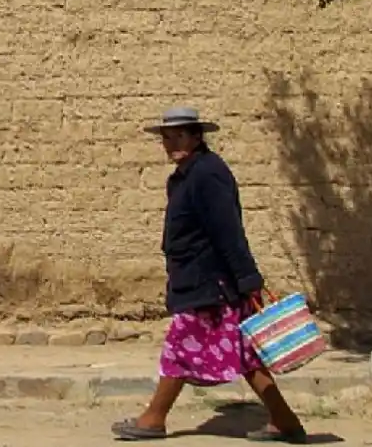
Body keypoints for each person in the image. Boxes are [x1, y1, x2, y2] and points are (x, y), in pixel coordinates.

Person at [111, 106, 307, 443]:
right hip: (200, 279)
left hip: (209, 283)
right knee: (246, 354)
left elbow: (227, 231)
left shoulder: (207, 174)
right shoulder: (188, 174)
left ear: (197, 136)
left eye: (179, 135)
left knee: (179, 347)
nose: (171, 143)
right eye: (167, 137)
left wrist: (248, 280)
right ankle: (284, 421)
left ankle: (153, 419)